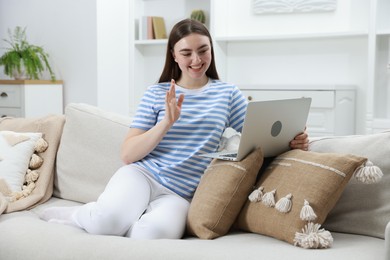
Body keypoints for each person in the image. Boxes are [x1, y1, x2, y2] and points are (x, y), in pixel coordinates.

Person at [40, 19, 309, 239]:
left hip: (182, 192)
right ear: (173, 55)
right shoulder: (157, 93)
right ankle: (80, 215)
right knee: (106, 223)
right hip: (142, 175)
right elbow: (127, 154)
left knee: (149, 236)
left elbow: (257, 137)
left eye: (203, 50)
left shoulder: (227, 94)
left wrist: (292, 141)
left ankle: (134, 218)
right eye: (186, 52)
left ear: (211, 51)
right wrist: (166, 123)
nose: (196, 59)